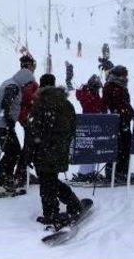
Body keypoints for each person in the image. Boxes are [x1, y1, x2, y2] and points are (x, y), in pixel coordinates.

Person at [28, 74, 88, 226]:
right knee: (51, 180)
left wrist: (29, 152)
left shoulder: (39, 104)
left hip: (42, 149)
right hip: (59, 149)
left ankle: (51, 214)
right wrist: (63, 142)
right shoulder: (66, 104)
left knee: (46, 182)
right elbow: (72, 127)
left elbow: (33, 131)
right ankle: (72, 203)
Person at [0, 54, 36, 193]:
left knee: (12, 151)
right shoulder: (13, 86)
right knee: (12, 152)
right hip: (2, 124)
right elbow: (5, 104)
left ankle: (4, 178)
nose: (27, 86)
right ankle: (2, 181)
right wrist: (9, 121)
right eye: (27, 83)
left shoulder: (11, 83)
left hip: (0, 123)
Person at [102, 65, 134, 183]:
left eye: (126, 75)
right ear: (118, 75)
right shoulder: (110, 86)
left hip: (123, 120)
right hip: (116, 121)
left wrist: (131, 113)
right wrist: (124, 113)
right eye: (123, 75)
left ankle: (122, 171)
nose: (125, 77)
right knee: (118, 147)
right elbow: (113, 104)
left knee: (125, 147)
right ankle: (114, 172)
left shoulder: (121, 86)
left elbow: (124, 103)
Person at [72, 75, 107, 182]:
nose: (98, 90)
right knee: (89, 149)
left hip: (92, 122)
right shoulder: (88, 94)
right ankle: (85, 173)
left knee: (92, 149)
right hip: (90, 123)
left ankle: (88, 172)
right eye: (97, 87)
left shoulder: (90, 93)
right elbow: (95, 106)